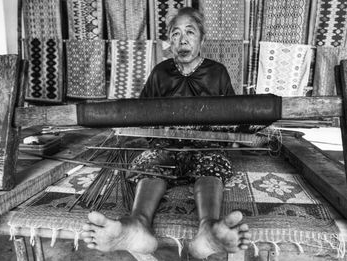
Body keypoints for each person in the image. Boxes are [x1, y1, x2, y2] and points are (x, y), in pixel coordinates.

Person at [81, 7, 251, 259]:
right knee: (150, 162)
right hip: (165, 146)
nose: (182, 40)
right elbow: (142, 111)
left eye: (190, 32)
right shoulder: (161, 72)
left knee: (212, 163)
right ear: (169, 40)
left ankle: (207, 230)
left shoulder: (217, 72)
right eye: (175, 34)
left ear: (202, 39)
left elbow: (233, 116)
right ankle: (138, 225)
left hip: (205, 146)